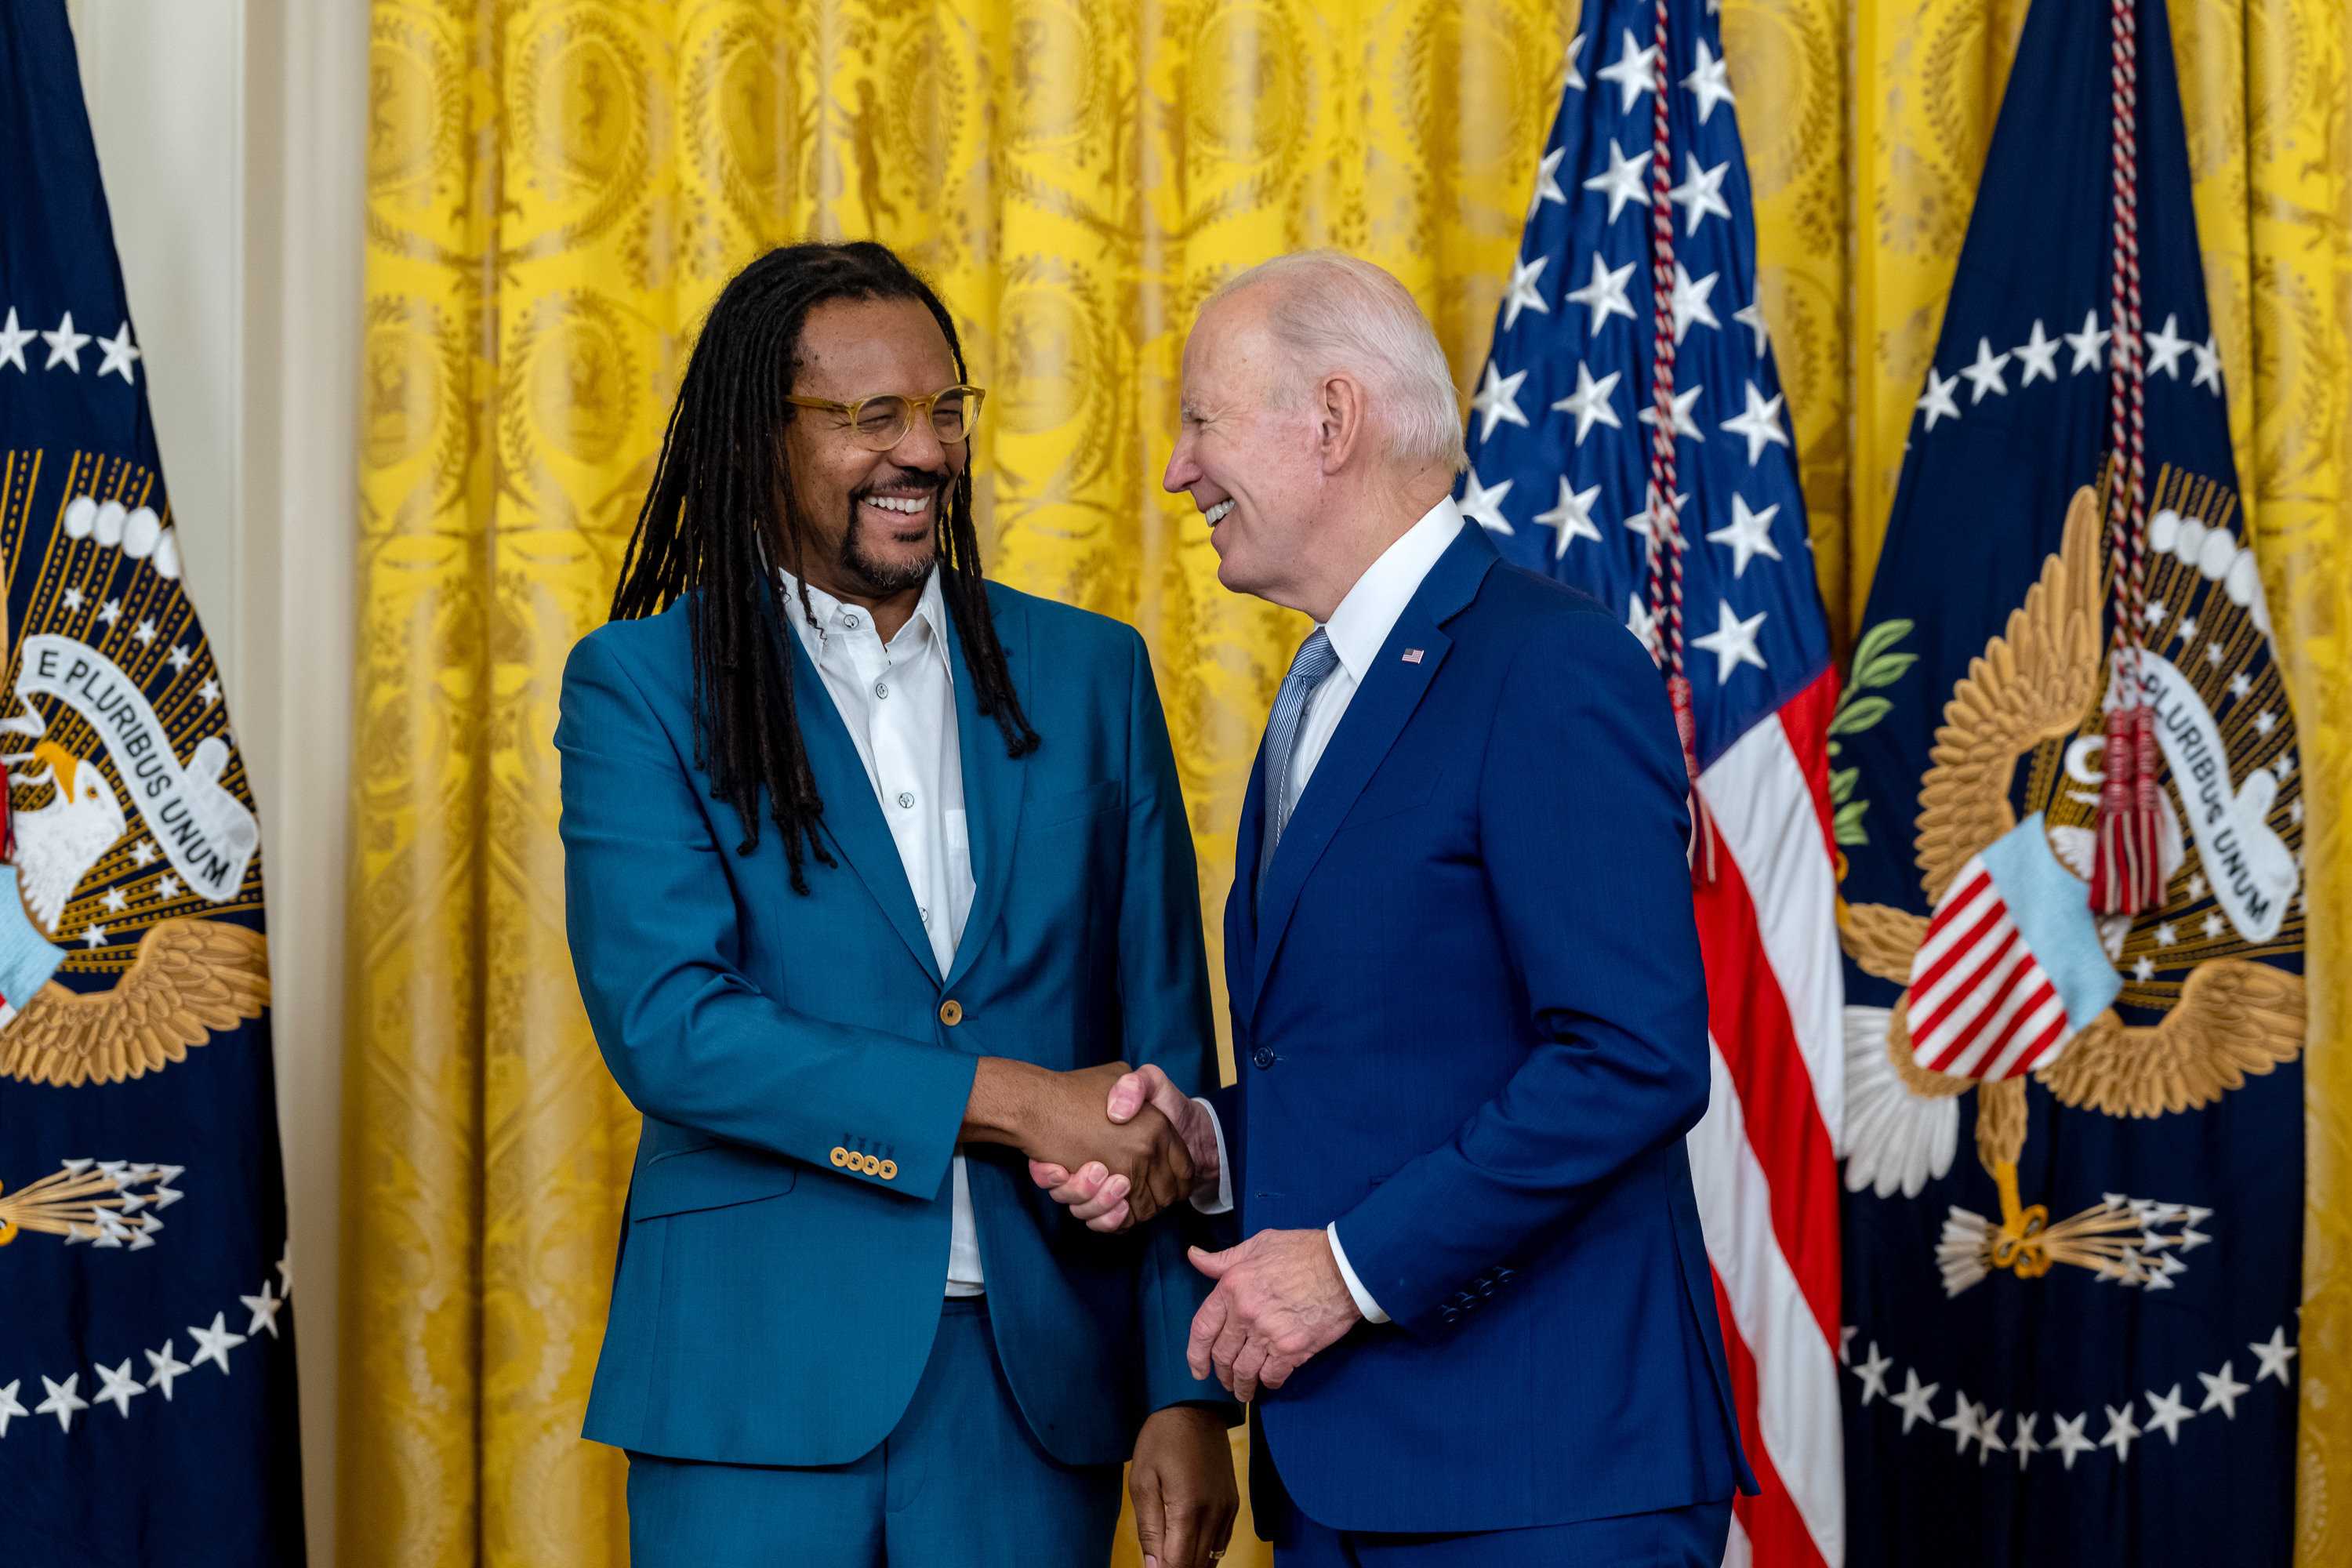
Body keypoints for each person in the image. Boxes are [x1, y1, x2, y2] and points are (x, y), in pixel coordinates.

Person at [1033, 251, 1755, 1564]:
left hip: (1542, 1482)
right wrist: (1206, 1144)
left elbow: (1632, 1056)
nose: (1178, 471)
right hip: (1352, 1480)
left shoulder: (1546, 664)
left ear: (1333, 417)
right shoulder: (1323, 694)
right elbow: (1383, 1057)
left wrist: (1349, 1269)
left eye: (1202, 419)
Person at [555, 241, 1238, 1568]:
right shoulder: (643, 686)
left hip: (1038, 1398)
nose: (920, 451)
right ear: (765, 438)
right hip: (751, 1390)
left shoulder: (1093, 674)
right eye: (870, 418)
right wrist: (1006, 1096)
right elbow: (672, 1027)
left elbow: (1165, 1046)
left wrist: (1182, 1386)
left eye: (944, 410)